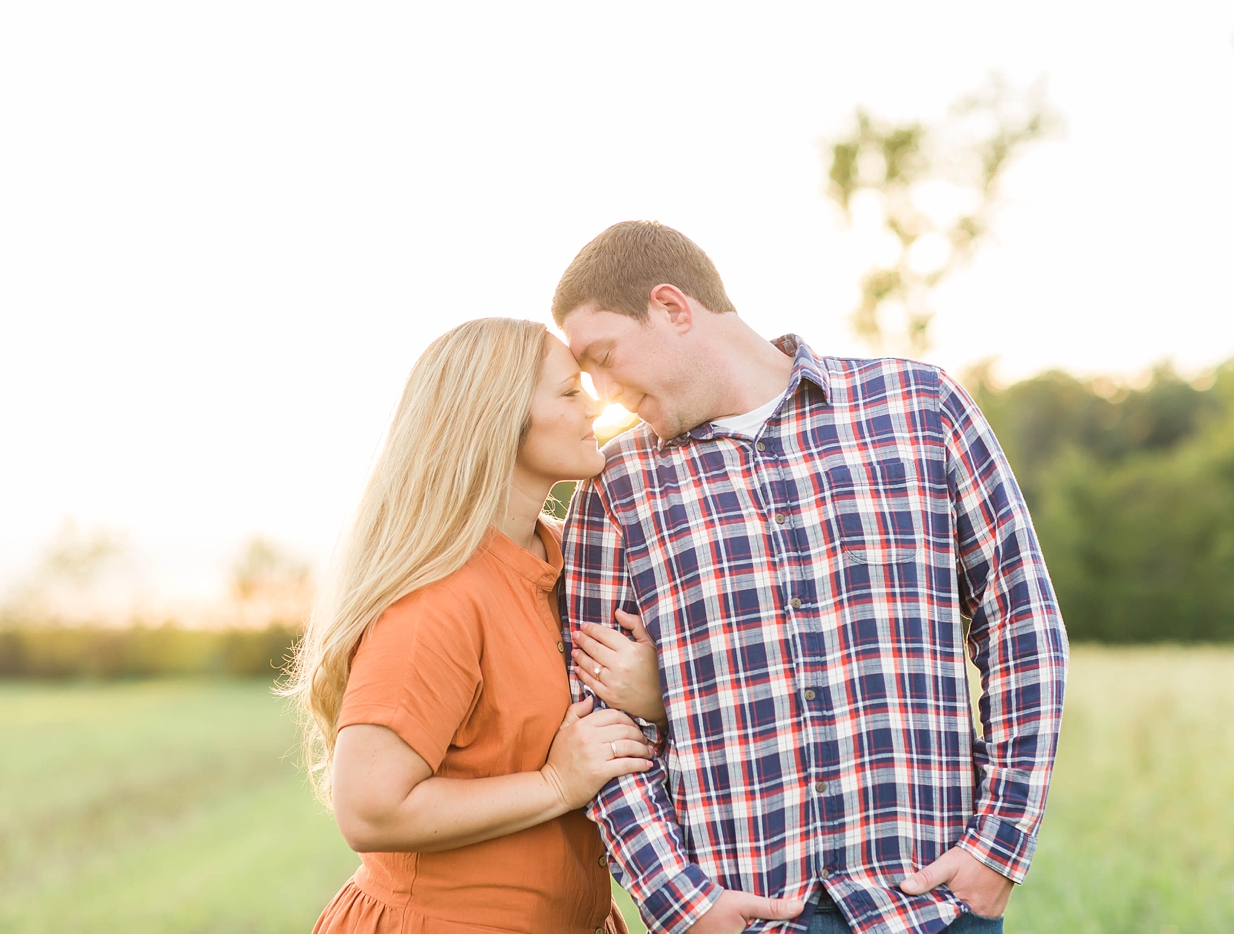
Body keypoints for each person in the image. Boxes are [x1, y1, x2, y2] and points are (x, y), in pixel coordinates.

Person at [554, 221, 1069, 934]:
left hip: (931, 905)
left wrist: (1001, 845)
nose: (603, 395)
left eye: (604, 358)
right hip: (746, 918)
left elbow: (1021, 622)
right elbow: (599, 725)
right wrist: (680, 901)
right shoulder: (616, 488)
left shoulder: (921, 408)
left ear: (673, 308)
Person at [282, 317, 665, 934]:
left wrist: (655, 698)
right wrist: (556, 783)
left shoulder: (568, 563)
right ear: (499, 419)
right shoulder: (440, 597)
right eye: (570, 392)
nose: (595, 405)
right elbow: (370, 809)